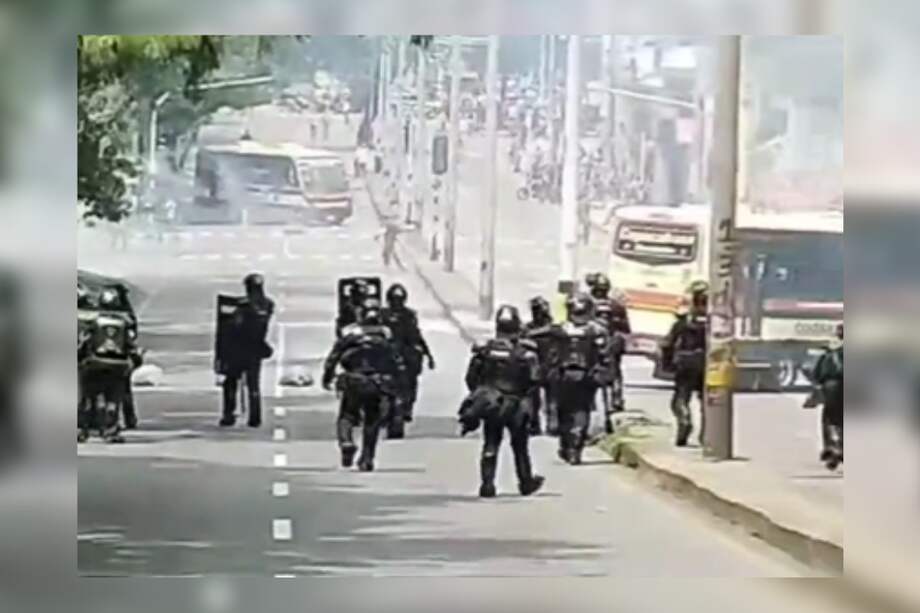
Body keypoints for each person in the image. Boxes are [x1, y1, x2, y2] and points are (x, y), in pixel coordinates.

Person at [459, 305, 545, 498]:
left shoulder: (485, 350)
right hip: (516, 403)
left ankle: (487, 484)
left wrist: (482, 396)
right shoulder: (526, 353)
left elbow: (471, 378)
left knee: (491, 443)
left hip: (493, 403)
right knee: (520, 446)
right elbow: (535, 381)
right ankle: (525, 482)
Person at [322, 298, 404, 471]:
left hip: (354, 380)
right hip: (376, 383)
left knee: (347, 416)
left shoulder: (350, 332)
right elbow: (397, 361)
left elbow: (334, 356)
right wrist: (396, 384)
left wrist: (327, 377)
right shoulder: (386, 334)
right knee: (372, 420)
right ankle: (367, 458)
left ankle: (346, 442)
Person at [549, 293, 612, 465]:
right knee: (581, 410)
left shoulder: (559, 330)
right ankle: (574, 449)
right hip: (584, 376)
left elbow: (550, 353)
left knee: (566, 411)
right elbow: (605, 355)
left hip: (565, 376)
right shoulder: (598, 330)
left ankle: (568, 446)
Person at [78, 287, 142, 444]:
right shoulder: (125, 321)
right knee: (113, 400)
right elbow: (131, 346)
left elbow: (84, 342)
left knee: (87, 398)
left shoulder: (91, 320)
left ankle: (81, 430)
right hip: (118, 367)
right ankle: (110, 430)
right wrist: (135, 361)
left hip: (93, 365)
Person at [218, 273, 274, 428]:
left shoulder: (243, 307)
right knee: (253, 384)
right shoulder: (268, 304)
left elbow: (234, 326)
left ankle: (229, 414)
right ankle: (255, 417)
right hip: (256, 349)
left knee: (231, 382)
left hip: (239, 349)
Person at [381, 284, 435, 437]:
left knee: (411, 382)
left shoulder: (408, 315)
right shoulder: (381, 315)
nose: (397, 303)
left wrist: (428, 354)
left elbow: (416, 336)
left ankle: (407, 407)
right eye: (395, 299)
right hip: (384, 355)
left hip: (404, 356)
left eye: (399, 300)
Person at [660, 281, 709, 447]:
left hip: (686, 362)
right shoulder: (716, 320)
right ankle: (707, 434)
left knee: (680, 398)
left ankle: (684, 420)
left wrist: (667, 364)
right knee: (706, 401)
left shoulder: (684, 320)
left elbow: (668, 344)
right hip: (708, 363)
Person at [585, 273, 631, 433]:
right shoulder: (615, 305)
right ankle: (615, 400)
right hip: (606, 344)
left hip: (594, 344)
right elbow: (626, 328)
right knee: (614, 372)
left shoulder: (585, 303)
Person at [523, 296, 558, 436]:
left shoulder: (553, 328)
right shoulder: (527, 328)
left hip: (550, 366)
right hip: (536, 366)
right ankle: (535, 424)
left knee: (551, 399)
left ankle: (550, 425)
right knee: (534, 399)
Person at [812, 323, 843, 470]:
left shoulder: (829, 351)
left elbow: (817, 373)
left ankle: (831, 448)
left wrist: (818, 387)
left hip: (831, 388)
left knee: (829, 419)